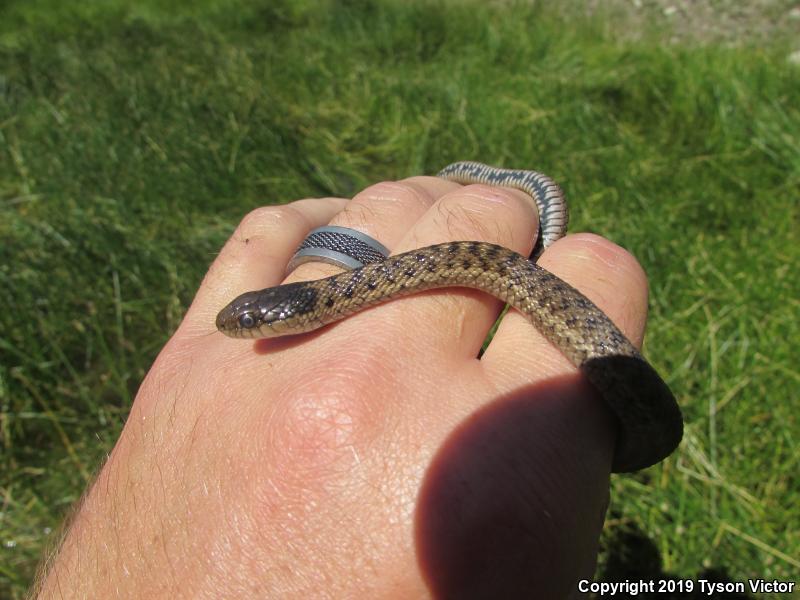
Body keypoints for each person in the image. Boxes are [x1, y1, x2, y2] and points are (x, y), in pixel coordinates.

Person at [34, 174, 652, 598]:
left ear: (295, 309)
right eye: (246, 319)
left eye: (250, 319)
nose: (241, 327)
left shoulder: (349, 291)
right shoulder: (335, 296)